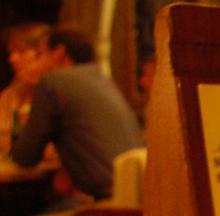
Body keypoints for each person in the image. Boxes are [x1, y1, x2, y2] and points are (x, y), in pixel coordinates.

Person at [10, 26, 144, 203]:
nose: (38, 63)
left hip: (110, 203)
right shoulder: (101, 79)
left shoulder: (53, 83)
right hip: (138, 195)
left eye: (41, 55)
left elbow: (25, 157)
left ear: (58, 53)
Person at [0, 21, 49, 156]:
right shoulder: (11, 93)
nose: (12, 58)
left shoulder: (60, 94)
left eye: (21, 51)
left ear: (45, 55)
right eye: (11, 52)